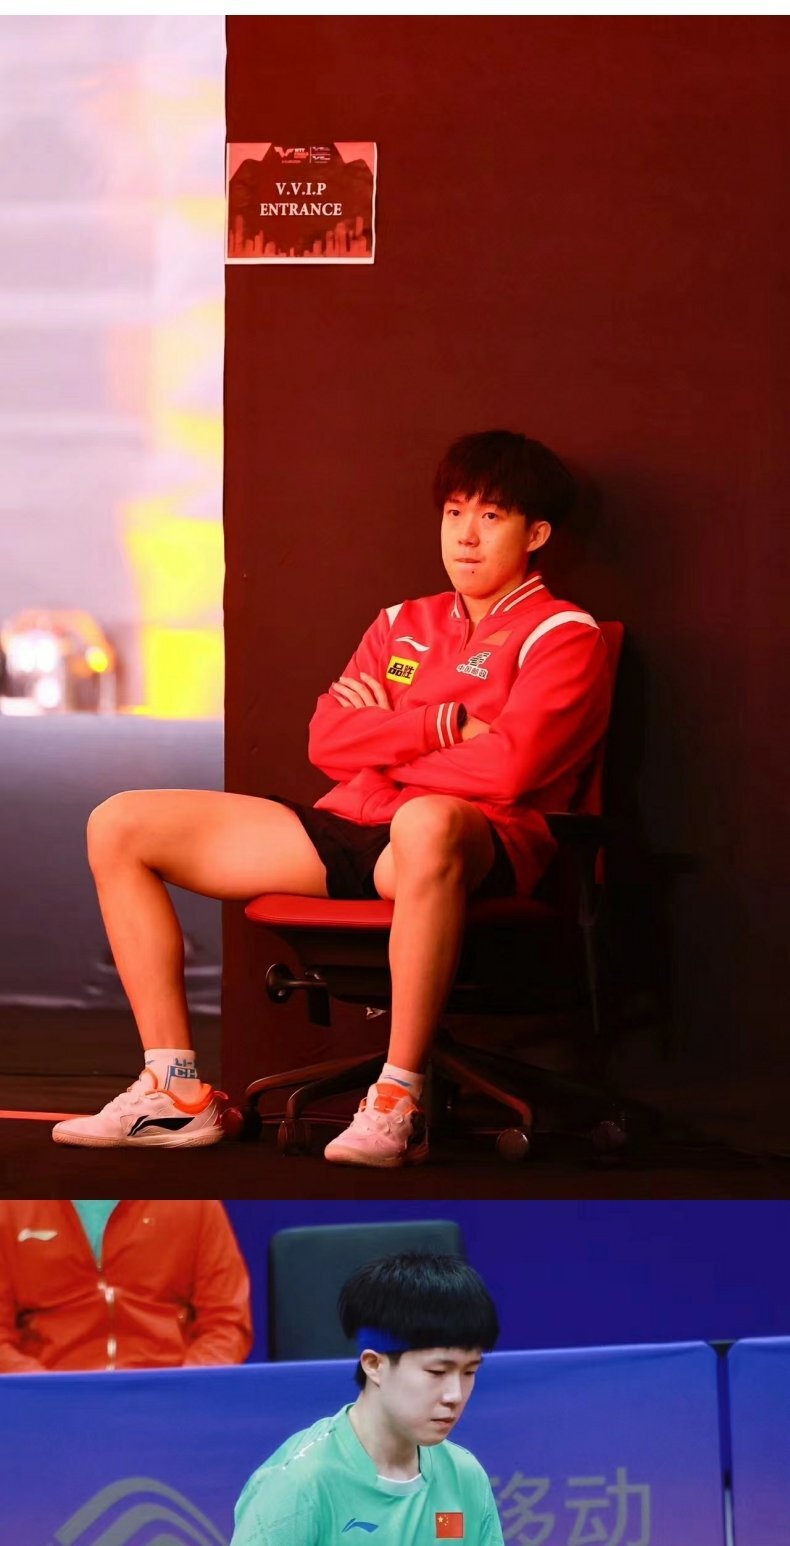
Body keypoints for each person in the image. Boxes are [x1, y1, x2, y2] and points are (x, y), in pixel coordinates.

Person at [52, 429, 612, 1164]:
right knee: (120, 822)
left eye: (490, 516)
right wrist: (444, 724)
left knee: (426, 818)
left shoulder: (565, 634)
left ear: (535, 534)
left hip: (475, 840)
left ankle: (398, 1097)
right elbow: (328, 741)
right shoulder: (401, 623)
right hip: (355, 826)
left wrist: (386, 742)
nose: (466, 537)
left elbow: (510, 770)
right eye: (454, 513)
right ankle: (174, 1092)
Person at [231, 1252, 504, 1545]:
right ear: (374, 1365)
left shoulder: (465, 1478)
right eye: (437, 1372)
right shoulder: (297, 1487)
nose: (455, 1395)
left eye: (469, 1371)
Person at [0, 1199, 252, 1371]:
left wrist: (185, 1387)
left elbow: (226, 1323)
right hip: (44, 1401)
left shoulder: (196, 1205)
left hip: (170, 1397)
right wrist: (40, 1393)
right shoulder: (9, 1208)